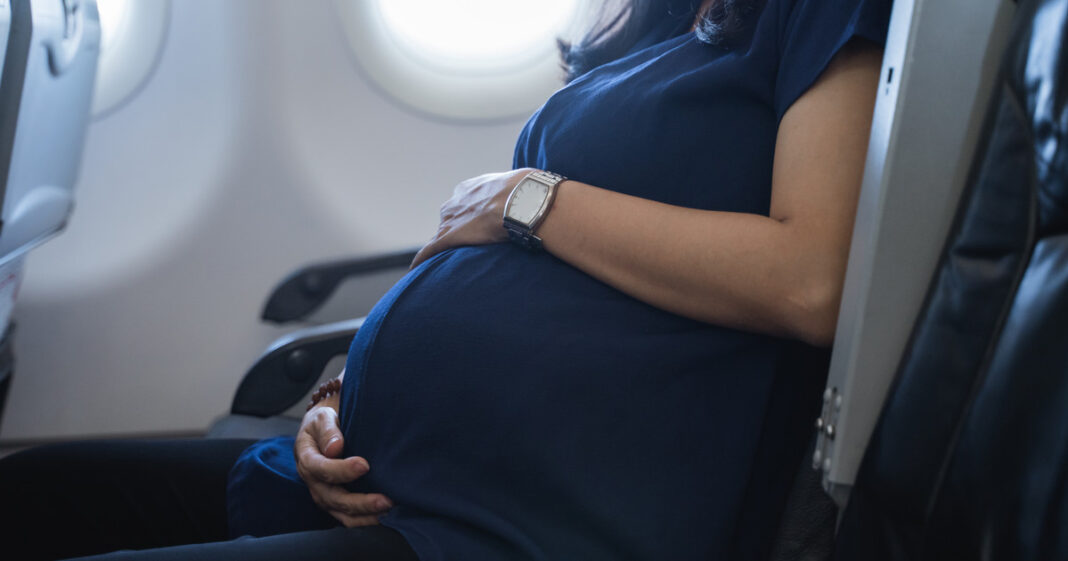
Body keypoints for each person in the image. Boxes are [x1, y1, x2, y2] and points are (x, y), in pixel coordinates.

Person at [0, 0, 890, 558]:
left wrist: (523, 197)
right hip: (386, 474)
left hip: (518, 521)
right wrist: (345, 393)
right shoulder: (664, 19)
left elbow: (810, 276)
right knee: (37, 493)